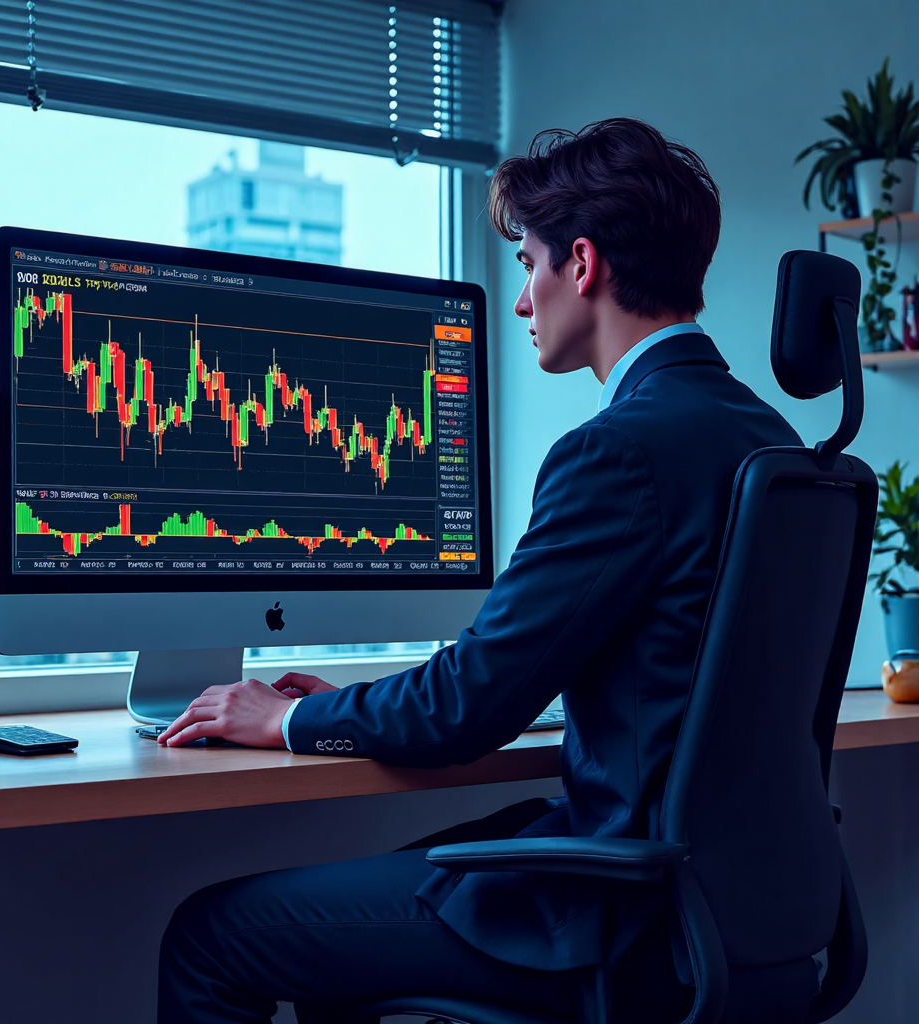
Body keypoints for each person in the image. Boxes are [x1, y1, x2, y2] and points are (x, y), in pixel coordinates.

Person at [156, 118, 802, 1024]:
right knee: (363, 919)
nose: (521, 303)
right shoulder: (771, 441)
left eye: (529, 267)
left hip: (621, 920)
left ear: (583, 265)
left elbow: (468, 707)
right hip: (743, 905)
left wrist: (291, 718)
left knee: (210, 936)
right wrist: (347, 704)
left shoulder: (617, 452)